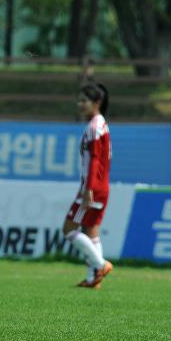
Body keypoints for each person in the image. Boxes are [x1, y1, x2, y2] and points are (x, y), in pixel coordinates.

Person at [63, 82, 113, 289]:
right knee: (92, 231)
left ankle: (100, 265)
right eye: (79, 100)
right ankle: (94, 278)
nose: (80, 104)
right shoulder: (102, 125)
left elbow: (94, 160)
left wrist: (89, 189)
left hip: (92, 187)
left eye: (85, 101)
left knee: (68, 229)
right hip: (102, 186)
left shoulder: (94, 127)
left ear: (97, 103)